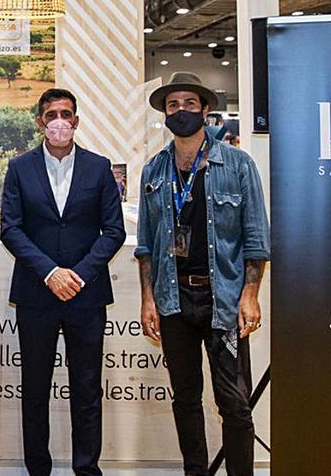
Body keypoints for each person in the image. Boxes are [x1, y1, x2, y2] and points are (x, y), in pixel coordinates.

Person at [136, 72, 269, 476]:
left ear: (205, 109)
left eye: (189, 104)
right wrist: (148, 300)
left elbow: (256, 238)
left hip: (223, 300)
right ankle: (195, 471)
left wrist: (250, 294)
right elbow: (146, 246)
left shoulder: (237, 163)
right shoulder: (154, 170)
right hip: (173, 299)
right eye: (173, 105)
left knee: (233, 401)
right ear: (164, 112)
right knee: (185, 399)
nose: (181, 111)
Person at [0, 88, 126, 476]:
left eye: (66, 113)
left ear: (76, 120)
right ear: (40, 121)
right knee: (34, 388)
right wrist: (51, 272)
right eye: (51, 113)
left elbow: (113, 231)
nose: (59, 120)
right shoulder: (20, 167)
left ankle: (87, 468)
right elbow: (11, 229)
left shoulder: (98, 167)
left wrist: (79, 274)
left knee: (87, 388)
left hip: (86, 296)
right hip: (37, 293)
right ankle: (38, 467)